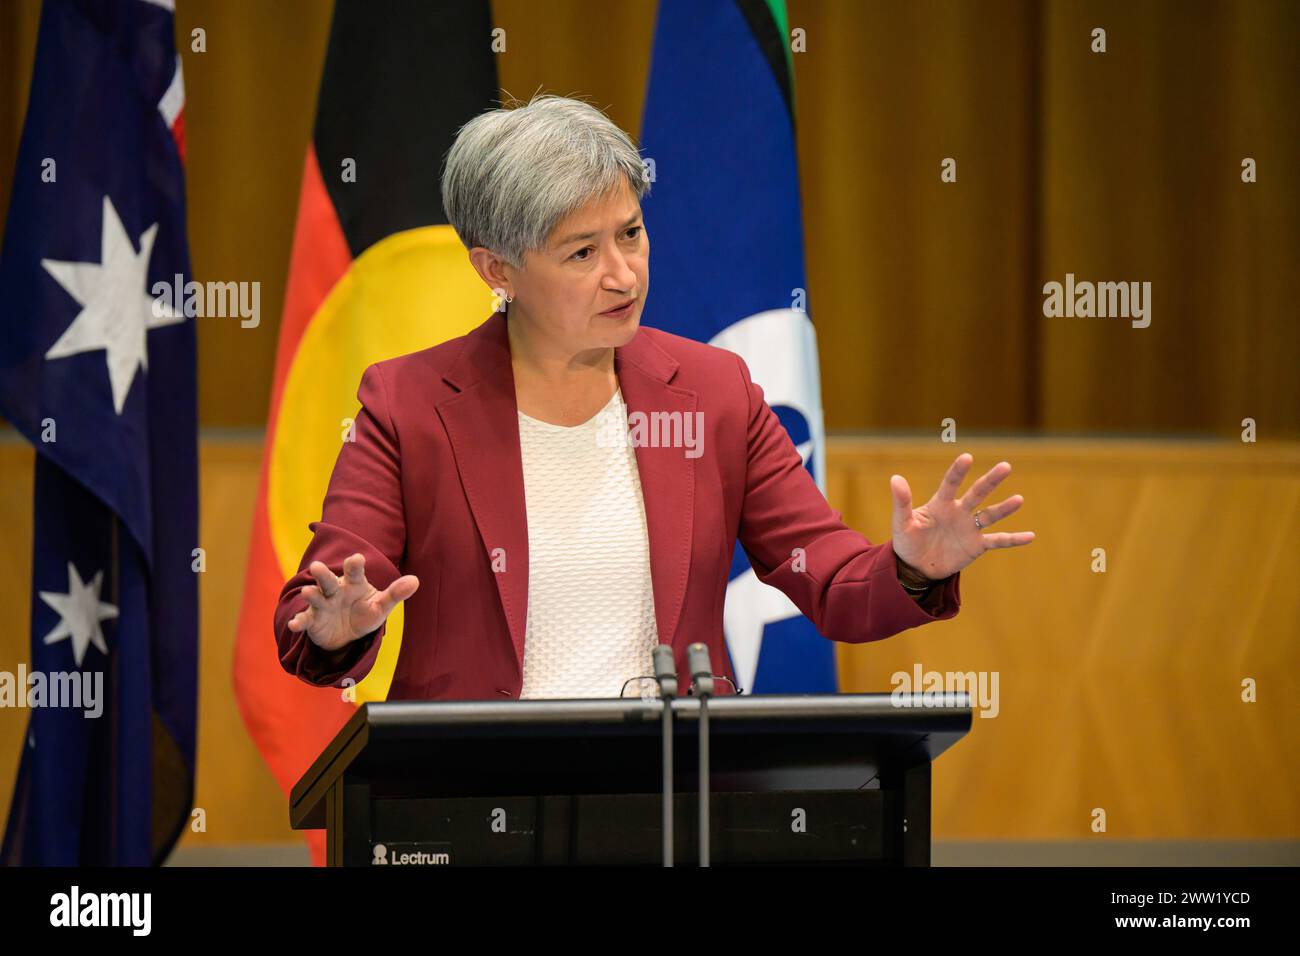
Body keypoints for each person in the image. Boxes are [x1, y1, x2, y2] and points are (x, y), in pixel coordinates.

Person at [275, 94, 1034, 700]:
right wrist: (336, 629)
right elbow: (325, 604)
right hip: (477, 798)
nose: (623, 273)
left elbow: (832, 583)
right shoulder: (409, 403)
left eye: (630, 234)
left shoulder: (712, 392)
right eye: (582, 252)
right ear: (497, 270)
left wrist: (913, 566)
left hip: (674, 798)